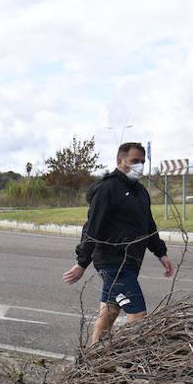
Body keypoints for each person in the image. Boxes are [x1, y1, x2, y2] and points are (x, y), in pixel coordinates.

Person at [63, 142, 174, 344]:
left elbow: (148, 226)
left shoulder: (140, 191)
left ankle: (92, 359)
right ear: (119, 161)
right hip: (113, 263)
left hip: (131, 262)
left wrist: (161, 254)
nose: (139, 166)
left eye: (142, 161)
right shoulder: (107, 189)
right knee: (139, 317)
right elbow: (92, 227)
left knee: (110, 311)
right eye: (134, 161)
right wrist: (81, 263)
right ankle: (134, 366)